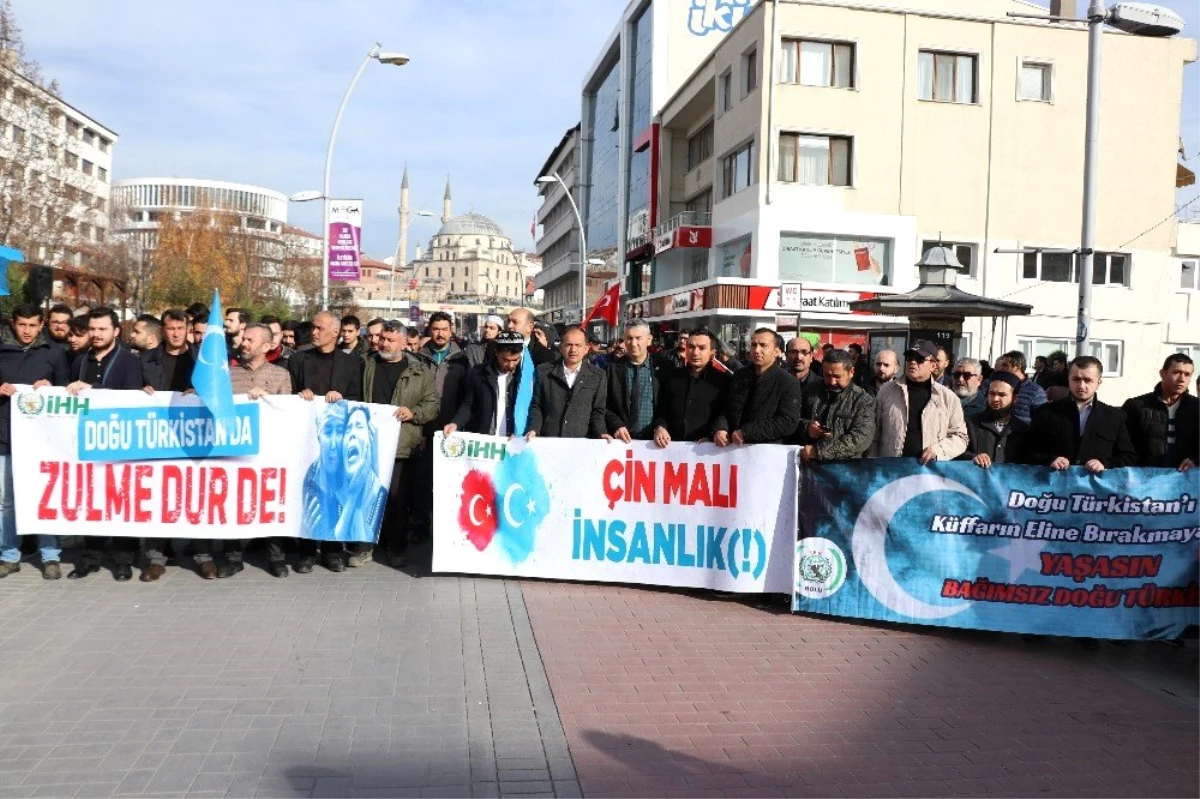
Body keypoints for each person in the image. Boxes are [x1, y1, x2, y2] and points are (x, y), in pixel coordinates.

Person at [190, 323, 295, 580]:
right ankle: (232, 557)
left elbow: (289, 413)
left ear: (267, 346)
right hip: (234, 452)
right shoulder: (228, 374)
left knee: (272, 502)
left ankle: (276, 557)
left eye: (250, 340)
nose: (243, 343)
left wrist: (270, 398)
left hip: (270, 452)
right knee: (232, 502)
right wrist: (194, 396)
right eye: (243, 339)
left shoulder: (281, 375)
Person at [66, 308, 145, 581]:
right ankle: (90, 558)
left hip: (121, 443)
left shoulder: (129, 361)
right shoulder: (79, 361)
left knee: (123, 500)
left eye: (102, 329)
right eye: (93, 329)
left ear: (115, 331)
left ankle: (123, 560)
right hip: (89, 442)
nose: (97, 334)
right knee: (92, 500)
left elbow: (132, 399)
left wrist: (94, 391)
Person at [354, 321, 439, 568]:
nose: (384, 344)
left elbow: (433, 404)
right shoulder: (365, 364)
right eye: (382, 338)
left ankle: (396, 547)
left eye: (391, 340)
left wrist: (413, 413)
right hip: (369, 443)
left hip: (402, 445)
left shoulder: (419, 371)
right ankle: (363, 547)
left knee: (398, 501)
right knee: (366, 496)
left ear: (404, 342)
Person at [288, 311, 363, 573]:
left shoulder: (352, 363)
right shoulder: (298, 360)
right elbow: (288, 396)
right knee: (308, 492)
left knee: (333, 492)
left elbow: (358, 398)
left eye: (320, 328)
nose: (314, 333)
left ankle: (332, 550)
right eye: (313, 328)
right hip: (305, 438)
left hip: (336, 440)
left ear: (336, 332)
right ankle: (306, 551)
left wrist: (342, 397)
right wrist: (300, 395)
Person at [0, 304, 70, 580]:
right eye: (22, 325)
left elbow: (67, 391)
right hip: (5, 437)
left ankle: (50, 555)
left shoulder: (54, 353)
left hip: (42, 440)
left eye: (32, 325)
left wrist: (50, 388)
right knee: (7, 502)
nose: (27, 330)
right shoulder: (1, 351)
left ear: (41, 325)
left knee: (44, 497)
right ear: (13, 324)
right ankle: (9, 554)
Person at [137, 311, 195, 583]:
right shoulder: (145, 359)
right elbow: (129, 393)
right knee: (157, 496)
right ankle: (156, 558)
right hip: (157, 437)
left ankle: (203, 555)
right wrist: (141, 392)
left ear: (187, 328)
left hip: (193, 438)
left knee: (196, 495)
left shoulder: (200, 361)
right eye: (170, 328)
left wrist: (200, 393)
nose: (175, 333)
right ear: (163, 329)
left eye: (180, 328)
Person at [1027, 356, 1136, 473]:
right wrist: (1049, 460)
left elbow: (1129, 457)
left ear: (1098, 383)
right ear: (1068, 379)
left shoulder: (1115, 417)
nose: (1081, 386)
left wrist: (1105, 464)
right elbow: (1027, 451)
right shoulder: (1045, 413)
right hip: (1055, 488)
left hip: (1096, 489)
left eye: (1088, 380)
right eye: (1076, 379)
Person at [869, 339, 968, 463]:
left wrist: (937, 450)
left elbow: (961, 437)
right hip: (892, 471)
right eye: (910, 358)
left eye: (920, 359)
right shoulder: (886, 391)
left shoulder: (948, 398)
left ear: (933, 365)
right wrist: (872, 465)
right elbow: (873, 434)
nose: (913, 362)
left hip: (928, 473)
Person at [715, 329, 803, 446]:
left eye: (763, 345)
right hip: (732, 452)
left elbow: (788, 422)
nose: (757, 350)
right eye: (753, 345)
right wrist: (720, 428)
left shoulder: (788, 382)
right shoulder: (739, 376)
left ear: (776, 351)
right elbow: (727, 408)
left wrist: (747, 432)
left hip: (765, 453)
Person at [651, 328, 730, 446]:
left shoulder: (723, 381)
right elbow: (661, 409)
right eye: (691, 347)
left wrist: (714, 434)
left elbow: (726, 414)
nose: (695, 352)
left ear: (712, 352)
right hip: (670, 450)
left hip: (708, 452)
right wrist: (660, 427)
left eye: (702, 348)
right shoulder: (672, 377)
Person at [527, 326, 608, 439]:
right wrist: (534, 429)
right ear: (560, 347)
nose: (573, 350)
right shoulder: (544, 371)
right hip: (549, 441)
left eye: (578, 345)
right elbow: (537, 405)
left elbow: (598, 411)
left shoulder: (598, 376)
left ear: (586, 348)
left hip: (581, 442)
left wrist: (601, 432)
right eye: (568, 345)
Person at [794, 349, 875, 462]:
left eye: (837, 377)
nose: (832, 382)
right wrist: (807, 428)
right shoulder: (810, 390)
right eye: (827, 375)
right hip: (809, 465)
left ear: (851, 372)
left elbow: (860, 439)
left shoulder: (863, 400)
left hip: (845, 467)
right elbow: (793, 420)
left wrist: (819, 451)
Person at [1122, 353, 1200, 470]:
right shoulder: (1136, 406)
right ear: (1163, 373)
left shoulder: (1197, 408)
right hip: (1144, 479)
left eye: (1187, 374)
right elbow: (1121, 445)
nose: (1182, 379)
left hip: (1186, 480)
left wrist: (1196, 460)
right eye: (1176, 372)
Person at [445, 331, 528, 436]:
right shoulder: (478, 373)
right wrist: (456, 423)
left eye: (516, 360)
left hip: (513, 442)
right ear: (496, 353)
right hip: (486, 442)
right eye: (506, 360)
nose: (511, 365)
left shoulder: (525, 376)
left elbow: (532, 408)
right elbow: (468, 405)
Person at [604, 320, 669, 443]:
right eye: (629, 338)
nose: (633, 343)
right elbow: (603, 404)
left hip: (655, 442)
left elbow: (670, 404)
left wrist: (662, 425)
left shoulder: (664, 368)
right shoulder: (611, 369)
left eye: (638, 338)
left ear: (649, 340)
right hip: (622, 442)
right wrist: (616, 424)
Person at [962, 371, 1028, 468]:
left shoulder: (1022, 429)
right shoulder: (972, 423)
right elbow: (957, 451)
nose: (995, 399)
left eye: (1002, 395)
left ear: (1015, 399)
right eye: (992, 393)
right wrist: (973, 457)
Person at [994, 351, 1047, 426]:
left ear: (1017, 367)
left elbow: (1042, 420)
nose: (1001, 368)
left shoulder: (1035, 391)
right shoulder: (997, 385)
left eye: (1005, 365)